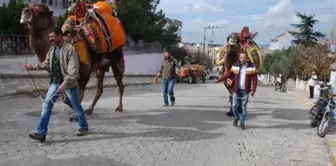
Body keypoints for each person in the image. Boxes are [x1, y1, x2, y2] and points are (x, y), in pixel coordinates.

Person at [24, 27, 89, 142]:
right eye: (50, 37)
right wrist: (32, 67)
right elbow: (46, 64)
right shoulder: (52, 49)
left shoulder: (70, 49)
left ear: (60, 36)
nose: (51, 39)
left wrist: (64, 85)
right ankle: (41, 133)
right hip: (55, 83)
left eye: (53, 37)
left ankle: (83, 126)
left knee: (76, 105)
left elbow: (73, 71)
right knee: (47, 106)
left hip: (68, 84)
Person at [215, 52, 258, 130]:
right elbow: (227, 74)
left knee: (243, 107)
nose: (242, 59)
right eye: (241, 57)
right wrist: (219, 80)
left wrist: (253, 90)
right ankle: (236, 118)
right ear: (239, 58)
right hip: (236, 90)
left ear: (247, 58)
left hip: (245, 91)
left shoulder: (252, 67)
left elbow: (255, 80)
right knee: (234, 106)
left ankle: (242, 123)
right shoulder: (235, 66)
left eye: (244, 57)